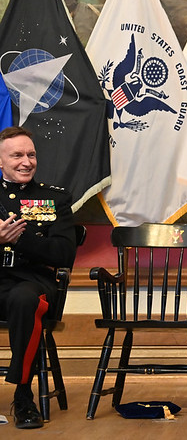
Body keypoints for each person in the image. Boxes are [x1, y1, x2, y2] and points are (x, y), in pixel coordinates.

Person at [0, 126, 77, 429]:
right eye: (17, 155)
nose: (26, 161)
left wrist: (19, 240)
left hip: (35, 284)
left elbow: (63, 254)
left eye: (31, 154)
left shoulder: (54, 199)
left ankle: (22, 395)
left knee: (24, 300)